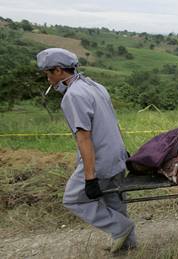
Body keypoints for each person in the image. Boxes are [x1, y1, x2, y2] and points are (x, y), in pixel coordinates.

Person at [36, 48, 137, 253]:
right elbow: (113, 122)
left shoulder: (73, 96)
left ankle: (121, 228)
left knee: (73, 198)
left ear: (57, 71)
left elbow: (84, 137)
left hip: (99, 161)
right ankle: (128, 246)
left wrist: (90, 177)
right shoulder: (96, 86)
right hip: (116, 157)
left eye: (48, 73)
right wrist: (123, 151)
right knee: (113, 201)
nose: (48, 79)